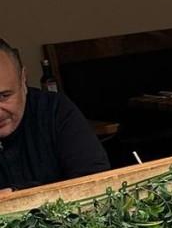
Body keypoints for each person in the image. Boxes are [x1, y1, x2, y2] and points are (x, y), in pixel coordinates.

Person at [0, 38, 110, 192]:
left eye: (4, 96)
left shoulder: (54, 110)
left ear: (23, 79)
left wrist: (19, 194)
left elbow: (95, 180)